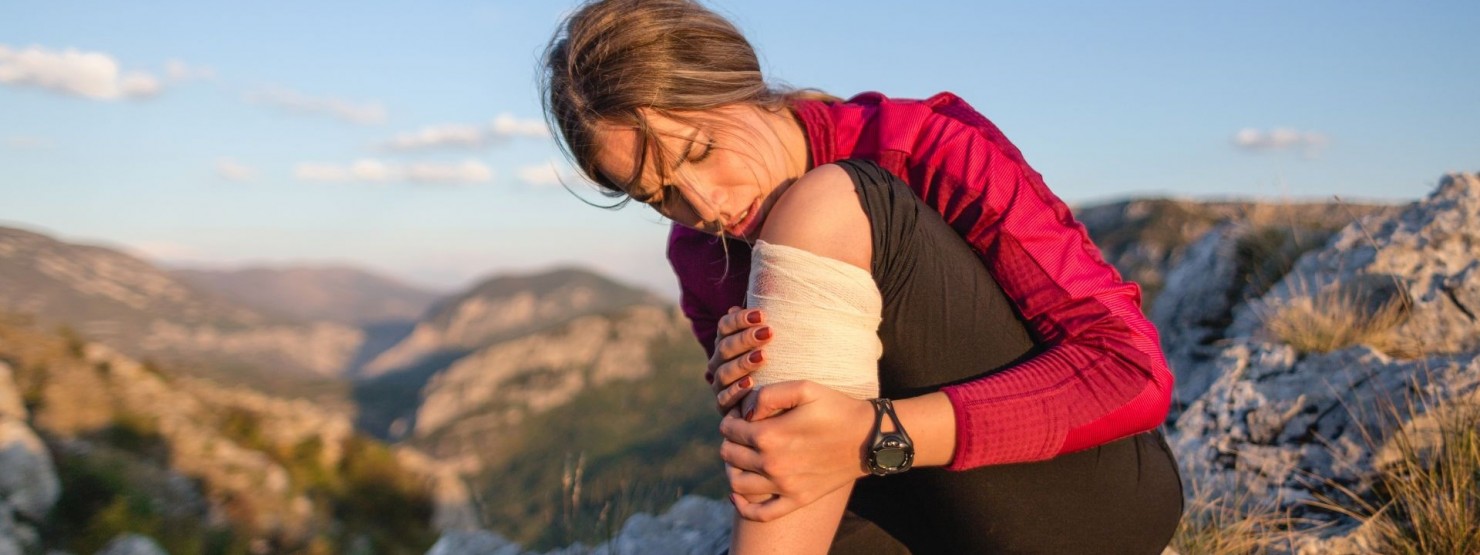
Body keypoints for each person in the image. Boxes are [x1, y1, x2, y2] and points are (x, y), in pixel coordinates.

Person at [541, 0, 1184, 552]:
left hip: (1081, 507)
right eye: (660, 197)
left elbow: (1132, 373)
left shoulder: (919, 148)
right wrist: (747, 394)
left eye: (701, 150)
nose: (708, 208)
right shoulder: (697, 254)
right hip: (921, 519)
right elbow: (792, 454)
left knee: (827, 204)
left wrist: (874, 436)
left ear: (740, 84)